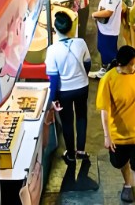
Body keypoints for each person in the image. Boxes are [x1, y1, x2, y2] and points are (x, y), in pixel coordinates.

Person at [97, 45, 135, 205]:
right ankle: (127, 183)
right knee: (119, 162)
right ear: (121, 64)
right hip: (118, 134)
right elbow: (105, 110)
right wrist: (107, 136)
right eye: (131, 64)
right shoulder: (108, 79)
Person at [46, 11, 92, 163]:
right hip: (82, 87)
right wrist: (81, 77)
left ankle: (71, 154)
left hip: (63, 91)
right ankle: (81, 150)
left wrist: (53, 99)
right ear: (71, 27)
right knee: (81, 117)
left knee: (67, 121)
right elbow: (87, 64)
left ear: (55, 29)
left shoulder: (52, 50)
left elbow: (53, 78)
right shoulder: (81, 43)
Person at [90, 0, 122, 79]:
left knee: (108, 51)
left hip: (109, 28)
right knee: (102, 48)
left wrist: (95, 14)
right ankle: (105, 69)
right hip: (105, 26)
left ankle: (114, 74)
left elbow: (109, 12)